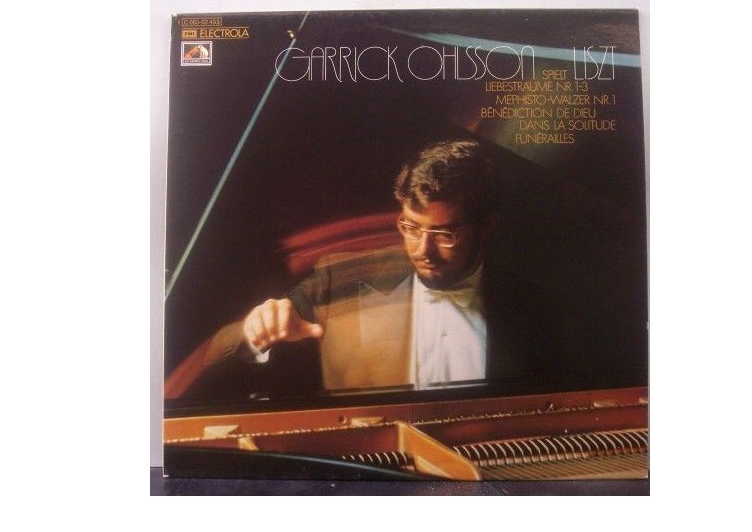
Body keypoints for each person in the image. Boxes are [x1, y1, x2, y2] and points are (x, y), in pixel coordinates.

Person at [205, 139, 561, 394]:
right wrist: (255, 332)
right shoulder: (341, 280)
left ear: (487, 227)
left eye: (445, 234)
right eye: (411, 228)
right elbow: (220, 349)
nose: (422, 249)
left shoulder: (533, 305)